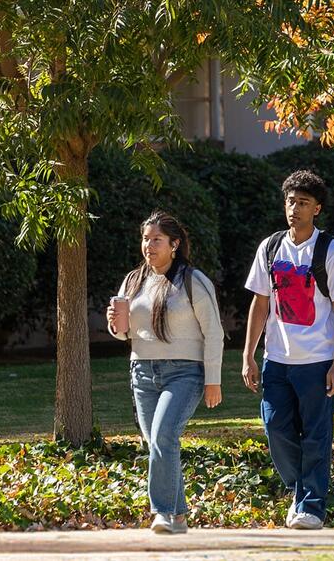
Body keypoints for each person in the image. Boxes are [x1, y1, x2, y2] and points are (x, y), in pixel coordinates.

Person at [241, 170, 334, 530]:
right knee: (275, 427)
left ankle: (312, 507)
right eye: (291, 201)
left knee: (317, 437)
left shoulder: (329, 251)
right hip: (276, 359)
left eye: (303, 203)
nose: (294, 208)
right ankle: (300, 488)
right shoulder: (270, 247)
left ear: (316, 209)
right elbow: (260, 303)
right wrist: (248, 354)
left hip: (317, 361)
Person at [106, 211, 225, 535]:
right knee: (158, 443)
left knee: (162, 436)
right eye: (145, 238)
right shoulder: (134, 280)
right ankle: (179, 516)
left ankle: (161, 512)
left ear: (174, 244)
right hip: (142, 372)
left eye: (156, 239)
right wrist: (116, 325)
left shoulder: (193, 280)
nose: (149, 245)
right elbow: (125, 334)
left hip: (184, 372)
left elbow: (214, 332)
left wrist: (213, 380)